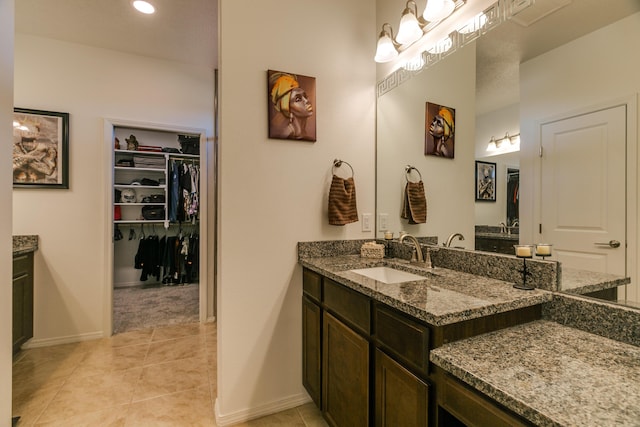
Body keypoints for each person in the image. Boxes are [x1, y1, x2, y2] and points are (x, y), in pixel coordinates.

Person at [269, 72, 314, 140]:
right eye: (298, 99)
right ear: (287, 109)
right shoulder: (285, 136)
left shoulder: (306, 136)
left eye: (305, 96)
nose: (306, 100)